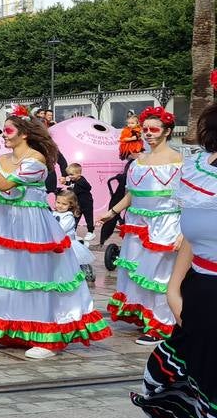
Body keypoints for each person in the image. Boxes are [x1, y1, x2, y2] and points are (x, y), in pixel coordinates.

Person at [130, 93, 217, 418]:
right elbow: (193, 232)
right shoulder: (202, 170)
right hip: (203, 306)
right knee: (181, 392)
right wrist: (175, 285)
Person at [0, 108, 110, 359]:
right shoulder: (2, 160)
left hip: (31, 226)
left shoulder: (37, 159)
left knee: (36, 278)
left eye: (8, 130)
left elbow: (7, 184)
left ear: (25, 134)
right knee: (3, 276)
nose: (4, 135)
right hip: (3, 224)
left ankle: (47, 337)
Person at [101, 106, 183, 344]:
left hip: (165, 223)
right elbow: (131, 194)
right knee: (138, 272)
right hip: (137, 224)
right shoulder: (138, 162)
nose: (148, 133)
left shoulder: (178, 160)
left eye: (154, 129)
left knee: (160, 275)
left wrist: (183, 232)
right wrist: (112, 212)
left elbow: (188, 197)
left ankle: (163, 324)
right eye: (145, 129)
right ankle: (148, 317)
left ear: (167, 131)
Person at [54, 189, 95, 284]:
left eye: (64, 204)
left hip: (68, 243)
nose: (60, 205)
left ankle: (82, 271)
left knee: (71, 262)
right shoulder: (54, 213)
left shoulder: (69, 217)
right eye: (58, 202)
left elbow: (61, 229)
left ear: (71, 205)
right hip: (56, 242)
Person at [62, 163, 95, 242]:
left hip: (87, 203)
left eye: (72, 175)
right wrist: (65, 183)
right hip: (78, 204)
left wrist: (72, 188)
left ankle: (90, 232)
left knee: (89, 218)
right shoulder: (73, 180)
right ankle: (73, 232)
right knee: (75, 218)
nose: (70, 176)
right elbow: (71, 184)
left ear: (79, 174)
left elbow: (89, 187)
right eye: (69, 175)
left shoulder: (82, 181)